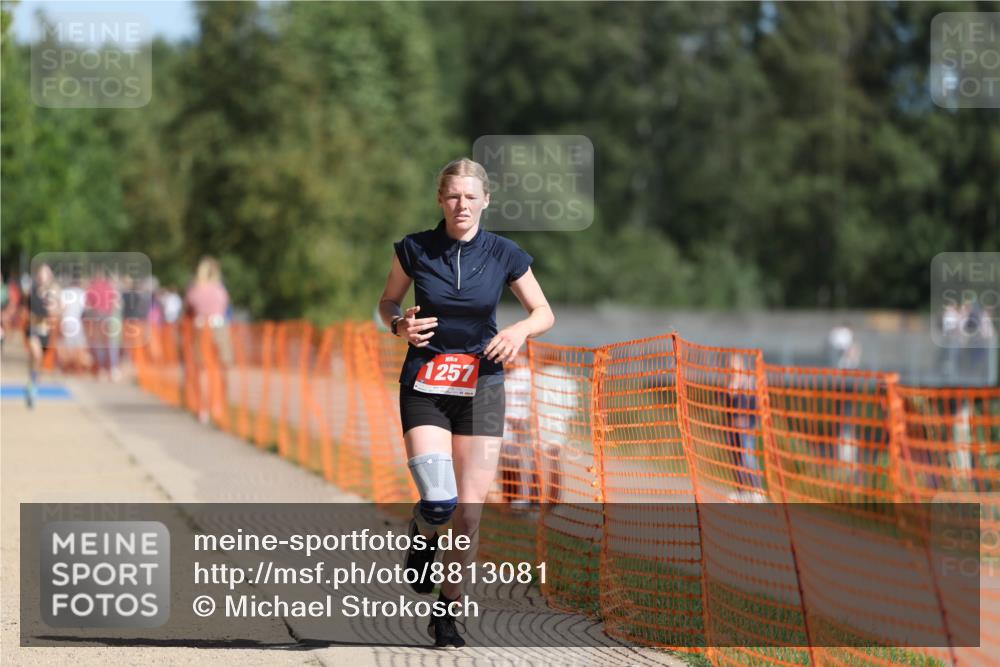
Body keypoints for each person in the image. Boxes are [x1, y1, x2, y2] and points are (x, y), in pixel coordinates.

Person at [377, 158, 554, 648]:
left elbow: (543, 312)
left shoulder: (504, 253)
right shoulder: (414, 249)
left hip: (484, 386)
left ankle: (447, 613)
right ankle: (421, 532)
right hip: (426, 384)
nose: (462, 205)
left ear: (486, 200)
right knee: (439, 500)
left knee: (470, 516)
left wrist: (517, 331)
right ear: (441, 199)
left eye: (471, 197)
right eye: (453, 196)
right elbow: (387, 302)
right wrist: (399, 325)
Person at [185, 256, 232, 424]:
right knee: (219, 367)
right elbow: (225, 306)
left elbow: (189, 307)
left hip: (200, 328)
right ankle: (217, 405)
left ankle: (203, 408)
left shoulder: (195, 289)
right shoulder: (220, 290)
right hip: (218, 327)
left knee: (203, 368)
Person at [24, 264, 61, 408]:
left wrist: (56, 308)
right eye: (41, 274)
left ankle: (32, 385)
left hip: (46, 331)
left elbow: (58, 310)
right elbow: (24, 308)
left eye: (46, 274)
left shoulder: (53, 292)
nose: (43, 277)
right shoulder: (31, 291)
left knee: (38, 362)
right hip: (33, 329)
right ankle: (32, 386)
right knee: (37, 355)